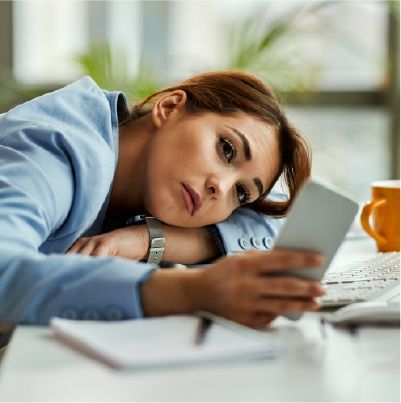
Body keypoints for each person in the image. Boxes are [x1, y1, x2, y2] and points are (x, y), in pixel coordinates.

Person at [0, 70, 324, 328]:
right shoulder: (51, 153)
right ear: (169, 108)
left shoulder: (148, 181)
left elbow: (276, 223)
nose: (220, 189)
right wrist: (189, 290)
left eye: (241, 193)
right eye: (226, 149)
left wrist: (149, 239)